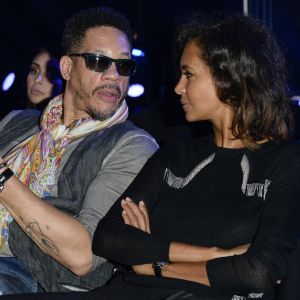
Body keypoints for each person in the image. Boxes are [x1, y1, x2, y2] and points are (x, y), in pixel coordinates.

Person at [2, 12, 300, 300]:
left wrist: (152, 263)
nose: (177, 87)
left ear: (230, 78)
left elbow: (258, 271)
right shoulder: (177, 153)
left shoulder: (283, 162)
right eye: (99, 62)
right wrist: (209, 257)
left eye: (188, 74)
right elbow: (111, 237)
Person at [0, 6, 158, 295]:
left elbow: (84, 254)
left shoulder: (132, 145)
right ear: (67, 68)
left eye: (123, 66)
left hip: (36, 278)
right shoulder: (16, 122)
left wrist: (3, 179)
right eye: (99, 62)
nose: (114, 77)